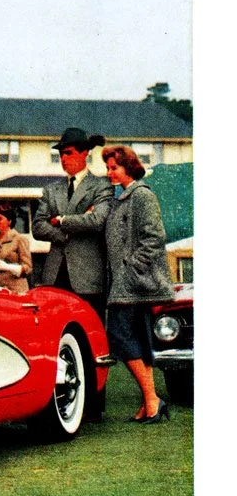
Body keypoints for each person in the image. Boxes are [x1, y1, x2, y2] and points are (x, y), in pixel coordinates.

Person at [102, 145, 176, 423]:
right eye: (108, 168)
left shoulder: (142, 196)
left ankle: (152, 400)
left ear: (129, 167)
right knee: (139, 342)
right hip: (126, 284)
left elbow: (155, 238)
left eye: (114, 168)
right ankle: (151, 402)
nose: (109, 173)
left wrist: (131, 267)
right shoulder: (120, 197)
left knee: (120, 337)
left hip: (134, 282)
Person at [32, 126, 113, 318]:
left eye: (68, 153)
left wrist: (60, 220)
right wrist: (68, 231)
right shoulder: (51, 190)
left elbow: (97, 220)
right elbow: (37, 227)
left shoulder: (102, 186)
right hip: (54, 277)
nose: (63, 159)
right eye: (61, 154)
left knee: (91, 335)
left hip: (88, 278)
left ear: (85, 153)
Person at [0, 204, 33, 293]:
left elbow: (28, 268)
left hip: (17, 289)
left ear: (9, 221)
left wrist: (7, 267)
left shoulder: (19, 239)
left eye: (0, 219)